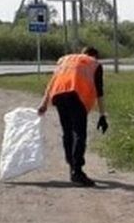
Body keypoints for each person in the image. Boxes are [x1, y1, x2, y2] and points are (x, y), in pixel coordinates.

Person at [38, 46, 108, 186]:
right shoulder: (94, 64)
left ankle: (72, 167)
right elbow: (99, 92)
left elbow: (52, 82)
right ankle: (77, 171)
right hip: (76, 96)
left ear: (82, 54)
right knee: (79, 133)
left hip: (58, 95)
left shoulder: (65, 60)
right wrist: (102, 115)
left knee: (67, 132)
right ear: (95, 56)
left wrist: (44, 103)